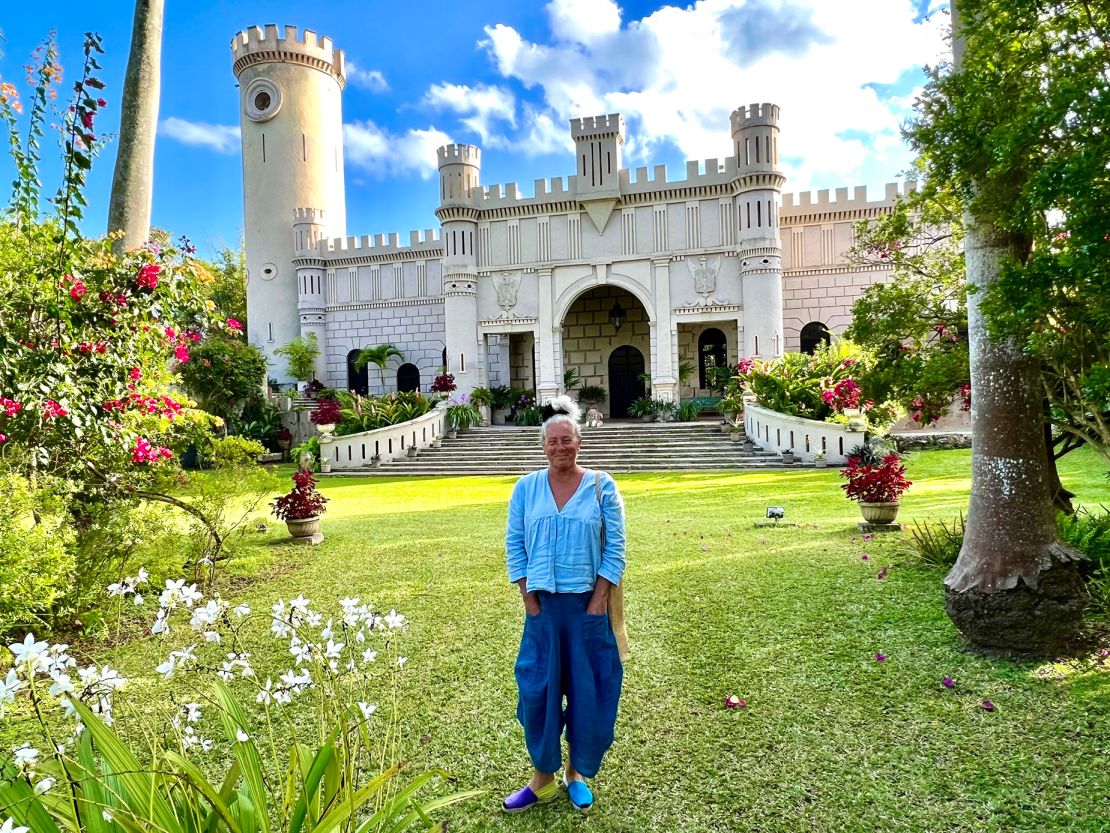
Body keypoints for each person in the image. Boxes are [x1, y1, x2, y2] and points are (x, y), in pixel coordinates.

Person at [502, 395, 626, 813]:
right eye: (552, 441)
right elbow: (514, 546)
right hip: (543, 612)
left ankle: (576, 773)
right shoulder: (525, 488)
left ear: (579, 443)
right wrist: (528, 600)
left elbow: (616, 550)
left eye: (566, 440)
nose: (560, 447)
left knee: (590, 693)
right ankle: (542, 779)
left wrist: (598, 602)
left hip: (588, 611)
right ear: (543, 446)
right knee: (537, 693)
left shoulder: (601, 485)